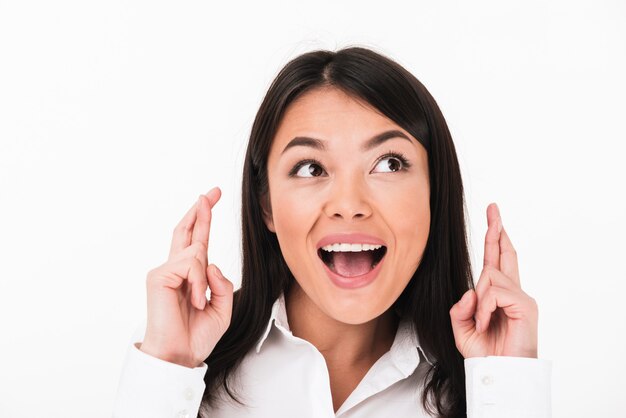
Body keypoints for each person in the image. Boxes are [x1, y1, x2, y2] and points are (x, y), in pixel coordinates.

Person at [113, 47, 551, 418]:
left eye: (389, 164)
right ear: (266, 205)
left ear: (435, 195)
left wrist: (508, 382)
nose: (349, 204)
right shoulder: (188, 370)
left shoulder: (488, 381)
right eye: (310, 168)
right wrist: (168, 366)